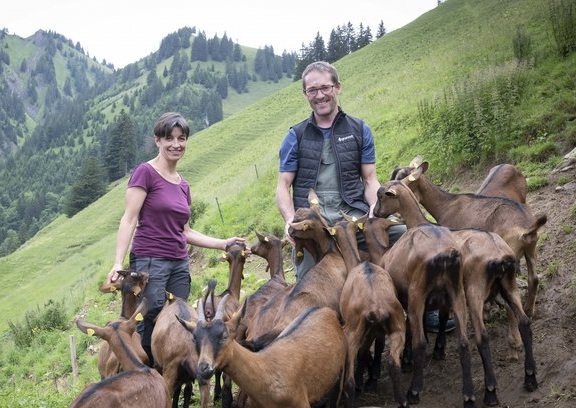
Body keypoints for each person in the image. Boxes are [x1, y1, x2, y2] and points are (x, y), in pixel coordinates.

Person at [275, 61, 454, 333]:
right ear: (305, 95)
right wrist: (290, 221)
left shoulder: (359, 129)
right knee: (309, 283)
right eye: (312, 90)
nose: (320, 95)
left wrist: (374, 208)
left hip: (354, 215)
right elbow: (283, 187)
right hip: (315, 224)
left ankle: (422, 308)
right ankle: (319, 337)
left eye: (325, 87)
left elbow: (370, 179)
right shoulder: (295, 136)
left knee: (408, 237)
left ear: (337, 87)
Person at [107, 112, 244, 366]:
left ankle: (168, 377)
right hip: (150, 261)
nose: (176, 144)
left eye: (181, 138)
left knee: (175, 321)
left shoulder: (183, 185)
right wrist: (117, 262)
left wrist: (223, 243)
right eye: (169, 138)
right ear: (157, 140)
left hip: (179, 264)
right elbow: (129, 219)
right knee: (150, 319)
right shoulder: (145, 173)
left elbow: (186, 232)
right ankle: (145, 376)